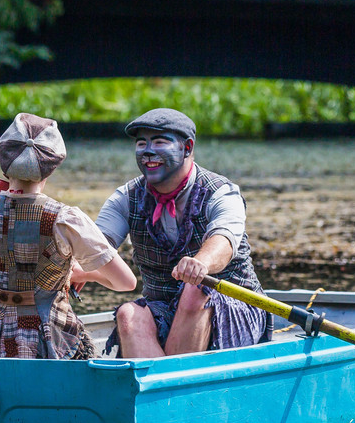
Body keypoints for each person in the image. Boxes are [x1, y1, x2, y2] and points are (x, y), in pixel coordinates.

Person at [0, 112, 137, 359]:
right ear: (52, 166)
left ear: (5, 164)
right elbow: (126, 283)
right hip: (47, 341)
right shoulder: (65, 219)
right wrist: (84, 273)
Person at [95, 108, 271, 357]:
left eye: (159, 142)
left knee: (194, 290)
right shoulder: (126, 197)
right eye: (141, 143)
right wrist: (75, 266)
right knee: (128, 314)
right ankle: (158, 391)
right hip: (163, 308)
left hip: (235, 308)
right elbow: (97, 244)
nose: (147, 151)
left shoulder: (222, 193)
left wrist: (201, 263)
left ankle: (171, 384)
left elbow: (224, 238)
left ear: (187, 147)